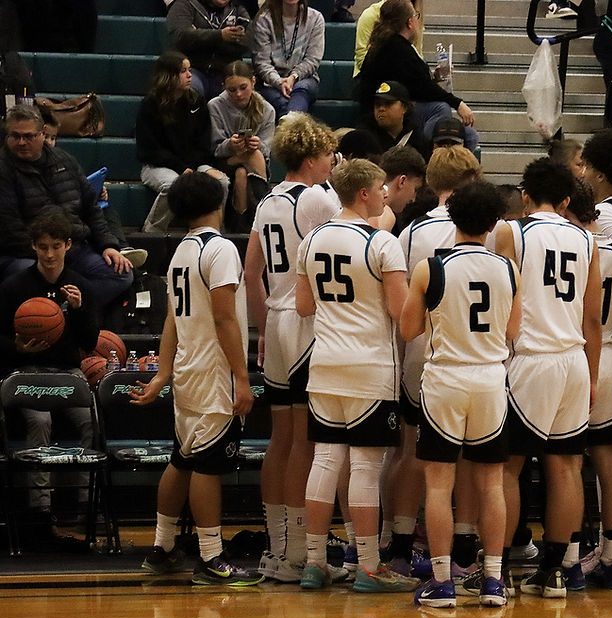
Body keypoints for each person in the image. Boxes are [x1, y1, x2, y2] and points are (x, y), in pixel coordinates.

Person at [131, 171, 261, 586]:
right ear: (219, 203)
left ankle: (163, 546)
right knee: (206, 465)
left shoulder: (181, 251)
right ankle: (210, 557)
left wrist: (163, 373)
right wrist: (242, 377)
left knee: (182, 459)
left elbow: (171, 319)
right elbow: (225, 317)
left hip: (188, 369)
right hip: (212, 370)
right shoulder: (219, 248)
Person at [294, 158, 417, 593]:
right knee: (364, 467)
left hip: (324, 364)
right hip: (370, 367)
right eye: (381, 188)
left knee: (326, 461)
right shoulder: (382, 242)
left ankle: (313, 564)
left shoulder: (310, 240)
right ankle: (368, 567)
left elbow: (304, 307)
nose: (386, 194)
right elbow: (401, 313)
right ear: (363, 193)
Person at [400, 179, 521, 608]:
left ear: (452, 217)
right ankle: (492, 581)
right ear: (493, 223)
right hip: (491, 379)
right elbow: (513, 332)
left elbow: (408, 329)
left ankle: (441, 582)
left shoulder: (430, 268)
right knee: (490, 484)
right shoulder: (508, 269)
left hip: (446, 379)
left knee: (438, 485)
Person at [495, 158, 602, 599]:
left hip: (530, 359)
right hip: (574, 359)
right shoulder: (587, 238)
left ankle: (496, 570)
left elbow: (501, 302)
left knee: (507, 467)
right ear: (565, 200)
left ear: (524, 195)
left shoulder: (511, 232)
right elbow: (593, 317)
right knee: (565, 467)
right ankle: (557, 570)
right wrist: (593, 376)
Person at [243, 112, 341, 583]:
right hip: (307, 321)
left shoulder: (268, 201)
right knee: (305, 439)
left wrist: (262, 328)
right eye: (327, 155)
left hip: (278, 320)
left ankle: (278, 548)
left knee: (279, 439)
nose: (332, 163)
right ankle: (301, 552)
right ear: (310, 158)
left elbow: (250, 273)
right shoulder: (320, 198)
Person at [388, 145, 480, 581]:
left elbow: (404, 300)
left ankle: (401, 546)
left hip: (421, 351)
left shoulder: (411, 232)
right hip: (471, 354)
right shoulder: (487, 228)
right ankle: (463, 552)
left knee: (410, 452)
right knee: (465, 460)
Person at [0, 208, 98, 524]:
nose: (50, 254)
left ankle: (86, 506)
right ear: (33, 247)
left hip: (68, 373)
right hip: (26, 373)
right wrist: (14, 347)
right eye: (43, 247)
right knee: (40, 421)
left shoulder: (80, 286)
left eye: (56, 246)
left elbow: (91, 340)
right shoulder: (13, 287)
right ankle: (40, 511)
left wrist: (80, 310)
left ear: (68, 245)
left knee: (91, 419)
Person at [563, 178, 612, 589]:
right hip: (610, 355)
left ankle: (569, 559)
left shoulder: (569, 248)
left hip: (575, 355)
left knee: (567, 462)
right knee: (610, 458)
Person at [0, 105, 133, 310]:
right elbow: (9, 229)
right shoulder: (3, 170)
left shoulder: (65, 161)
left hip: (72, 247)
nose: (21, 142)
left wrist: (108, 245)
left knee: (121, 274)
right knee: (24, 277)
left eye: (28, 136)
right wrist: (48, 252)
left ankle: (65, 311)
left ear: (42, 134)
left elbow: (91, 208)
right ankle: (47, 316)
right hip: (27, 253)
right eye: (14, 136)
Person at [357, 0, 479, 152]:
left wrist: (434, 77)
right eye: (416, 15)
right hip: (387, 108)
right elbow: (420, 87)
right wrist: (458, 103)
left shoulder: (389, 44)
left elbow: (414, 83)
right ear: (410, 22)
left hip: (400, 105)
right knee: (441, 108)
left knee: (469, 135)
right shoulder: (396, 48)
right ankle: (426, 152)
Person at [136, 52, 230, 233]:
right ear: (168, 76)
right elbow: (149, 150)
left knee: (221, 182)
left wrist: (194, 167)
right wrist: (180, 167)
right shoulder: (150, 105)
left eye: (189, 70)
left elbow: (203, 144)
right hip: (156, 165)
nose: (189, 75)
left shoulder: (197, 101)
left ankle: (215, 230)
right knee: (172, 185)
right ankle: (151, 232)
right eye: (183, 71)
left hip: (192, 164)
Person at [208, 60, 276, 231]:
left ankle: (240, 227)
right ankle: (266, 214)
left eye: (243, 88)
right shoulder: (215, 106)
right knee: (254, 156)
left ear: (253, 82)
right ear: (223, 86)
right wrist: (230, 145)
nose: (238, 94)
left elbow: (268, 150)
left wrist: (257, 144)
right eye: (232, 90)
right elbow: (214, 149)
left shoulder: (267, 110)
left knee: (241, 174)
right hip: (225, 161)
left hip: (253, 163)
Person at [252, 0, 326, 119]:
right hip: (270, 82)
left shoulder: (315, 18)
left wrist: (293, 77)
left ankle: (288, 124)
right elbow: (261, 63)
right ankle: (291, 126)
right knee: (283, 103)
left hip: (303, 79)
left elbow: (312, 60)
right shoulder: (264, 20)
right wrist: (279, 82)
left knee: (301, 89)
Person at [167, 0, 252, 100]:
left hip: (225, 72)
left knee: (240, 89)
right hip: (193, 69)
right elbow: (180, 37)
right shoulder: (185, 4)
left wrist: (199, 35)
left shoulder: (238, 8)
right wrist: (220, 36)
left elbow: (248, 42)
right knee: (189, 90)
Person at [352, 0, 423, 78]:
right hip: (372, 78)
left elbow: (417, 54)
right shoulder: (370, 14)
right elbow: (362, 59)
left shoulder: (416, 15)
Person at [355, 81, 427, 156]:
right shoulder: (363, 137)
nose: (381, 109)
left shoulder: (416, 136)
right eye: (377, 104)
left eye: (388, 103)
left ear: (405, 108)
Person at [375, 144, 427, 232]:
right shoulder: (385, 215)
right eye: (415, 189)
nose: (413, 199)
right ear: (402, 181)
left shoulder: (361, 205)